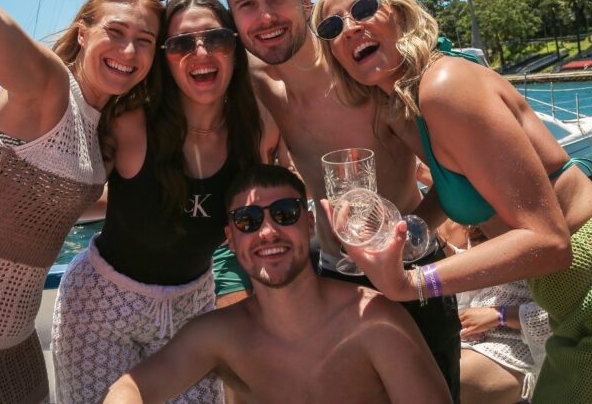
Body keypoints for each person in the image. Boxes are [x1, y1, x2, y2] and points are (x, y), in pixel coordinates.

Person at [65, 0, 462, 399]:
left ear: (306, 1)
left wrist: (410, 240)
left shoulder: (365, 79)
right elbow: (177, 32)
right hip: (329, 281)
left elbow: (452, 179)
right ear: (237, 22)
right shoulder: (259, 84)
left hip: (408, 273)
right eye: (248, 5)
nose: (267, 16)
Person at [312, 0, 592, 404]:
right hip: (567, 302)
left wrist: (409, 282)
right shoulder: (415, 101)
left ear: (400, 14)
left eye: (364, 8)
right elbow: (462, 188)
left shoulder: (446, 87)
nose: (350, 27)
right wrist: (399, 235)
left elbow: (549, 240)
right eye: (332, 27)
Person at [54, 0, 286, 404]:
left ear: (235, 48)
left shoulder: (256, 127)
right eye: (181, 44)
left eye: (216, 39)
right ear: (165, 57)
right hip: (100, 306)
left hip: (192, 307)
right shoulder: (132, 122)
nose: (200, 51)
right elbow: (135, 20)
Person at [0, 0, 164, 403]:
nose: (129, 50)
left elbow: (61, 204)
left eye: (144, 41)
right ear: (83, 33)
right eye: (115, 32)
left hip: (17, 345)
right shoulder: (45, 85)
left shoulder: (100, 126)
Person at [101, 164, 452, 404]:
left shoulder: (374, 322)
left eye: (284, 214)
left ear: (310, 224)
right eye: (248, 220)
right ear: (230, 238)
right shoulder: (220, 335)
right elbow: (133, 388)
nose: (267, 231)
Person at [438, 222, 551, 403]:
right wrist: (441, 248)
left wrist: (501, 315)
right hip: (473, 334)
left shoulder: (565, 231)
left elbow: (571, 314)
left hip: (526, 348)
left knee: (438, 380)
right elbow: (486, 268)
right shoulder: (491, 219)